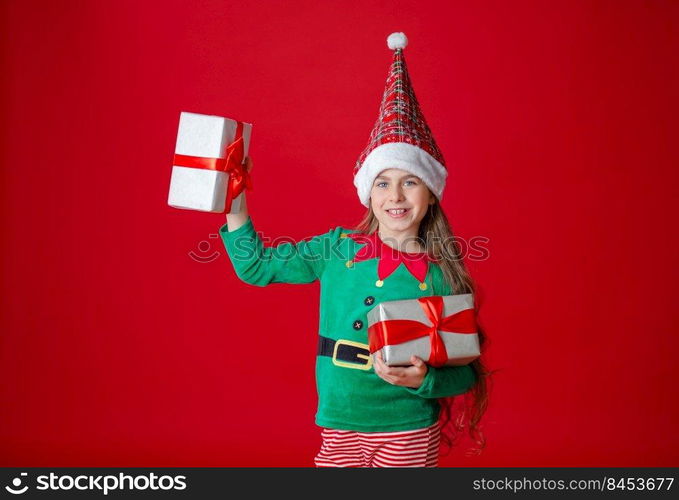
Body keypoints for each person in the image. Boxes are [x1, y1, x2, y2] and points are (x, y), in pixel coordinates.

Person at [219, 32, 490, 467]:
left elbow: (465, 371)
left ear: (432, 193)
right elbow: (255, 266)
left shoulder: (441, 274)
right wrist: (234, 198)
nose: (396, 196)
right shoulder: (335, 249)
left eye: (410, 181)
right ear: (368, 192)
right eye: (383, 182)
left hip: (406, 427)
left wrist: (423, 380)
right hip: (338, 421)